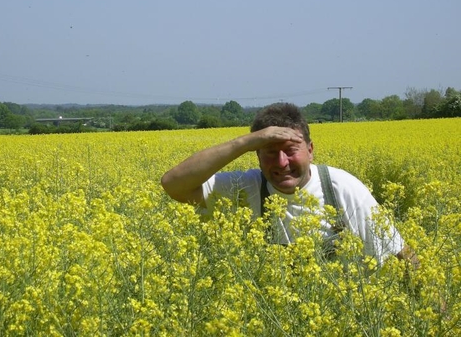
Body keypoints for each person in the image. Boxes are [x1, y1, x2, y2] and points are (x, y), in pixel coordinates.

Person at [161, 102, 417, 265]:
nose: (282, 162)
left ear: (311, 150)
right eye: (269, 151)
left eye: (291, 150)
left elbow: (402, 256)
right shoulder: (247, 186)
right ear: (257, 156)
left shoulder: (341, 188)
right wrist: (244, 143)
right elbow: (174, 184)